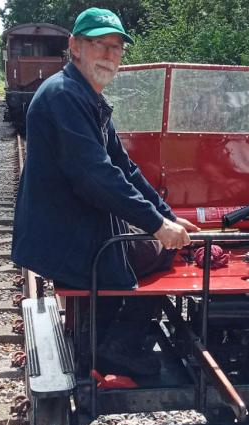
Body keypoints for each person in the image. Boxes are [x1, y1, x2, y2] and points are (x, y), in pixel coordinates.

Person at [11, 8, 199, 376]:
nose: (110, 55)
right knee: (159, 254)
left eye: (117, 48)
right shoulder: (64, 96)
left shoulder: (85, 96)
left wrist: (164, 215)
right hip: (67, 237)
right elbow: (95, 177)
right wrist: (158, 228)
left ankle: (106, 332)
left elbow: (124, 168)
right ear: (75, 47)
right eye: (101, 45)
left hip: (75, 225)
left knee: (153, 242)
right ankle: (115, 347)